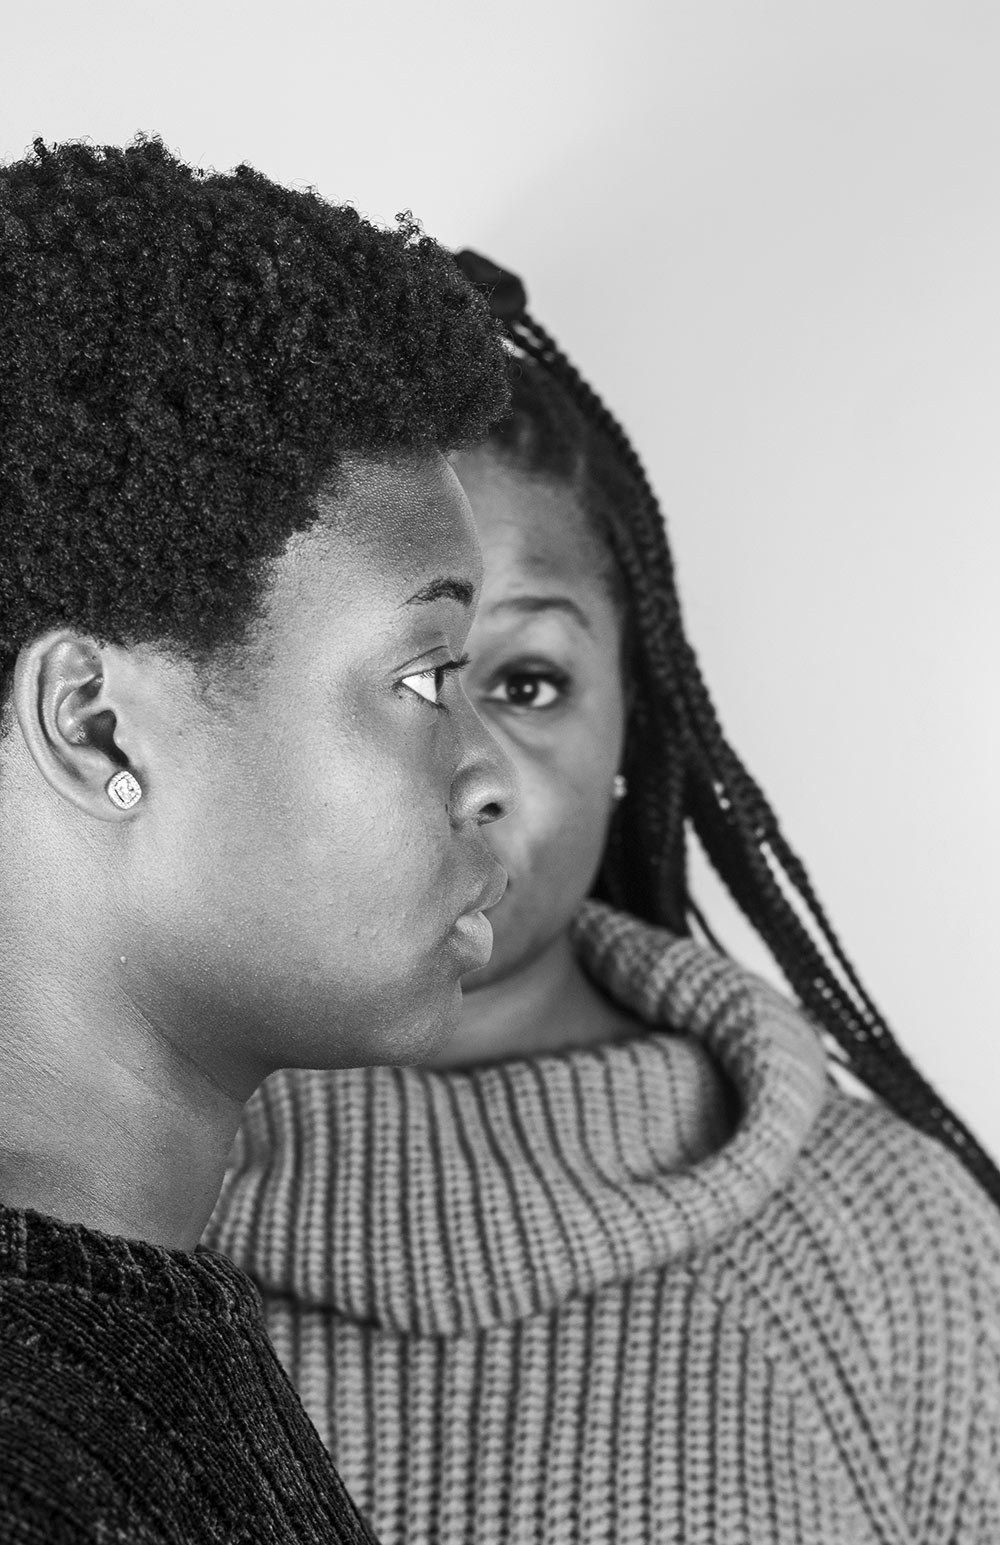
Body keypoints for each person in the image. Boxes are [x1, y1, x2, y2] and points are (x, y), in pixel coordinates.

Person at [205, 251, 1000, 1544]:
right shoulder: (72, 1206)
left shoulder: (897, 1245)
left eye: (524, 680)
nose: (465, 768)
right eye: (399, 678)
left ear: (635, 717)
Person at [0, 142, 517, 1544]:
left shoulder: (116, 1328)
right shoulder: (37, 1451)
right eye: (426, 677)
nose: (492, 779)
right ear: (100, 728)